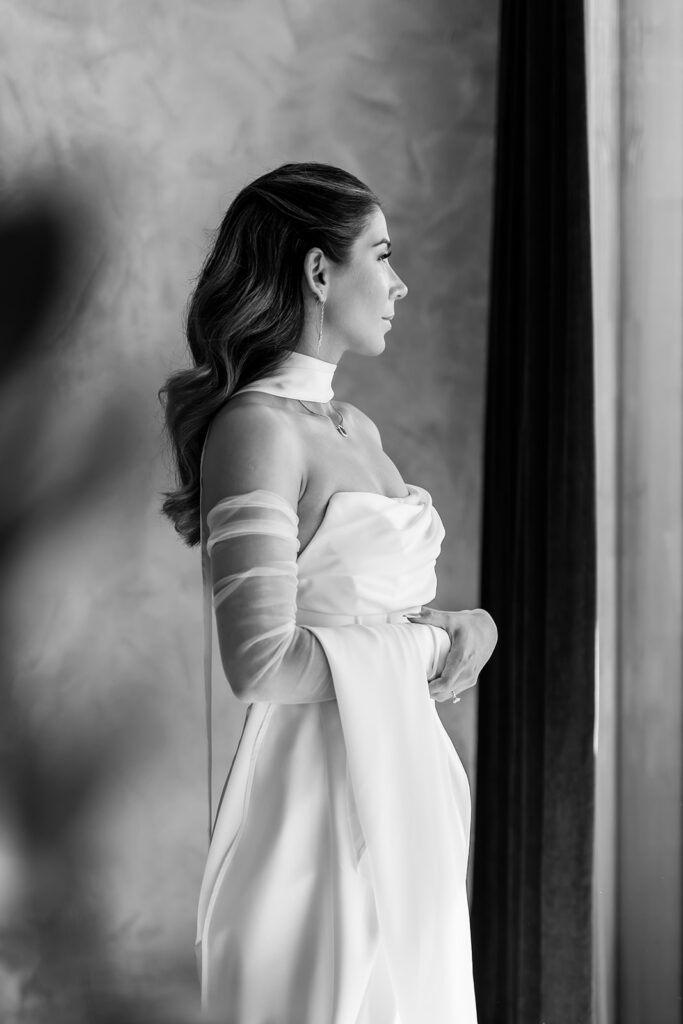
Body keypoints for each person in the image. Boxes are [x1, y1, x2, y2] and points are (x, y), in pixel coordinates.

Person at [159, 162, 497, 1024]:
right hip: (312, 817)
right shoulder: (253, 431)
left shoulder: (357, 429)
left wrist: (468, 623)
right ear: (318, 272)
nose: (398, 283)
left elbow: (376, 612)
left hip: (404, 791)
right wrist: (437, 643)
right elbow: (260, 661)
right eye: (380, 257)